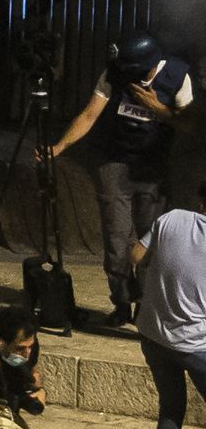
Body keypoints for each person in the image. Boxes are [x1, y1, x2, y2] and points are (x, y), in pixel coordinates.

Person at [42, 33, 196, 325]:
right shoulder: (115, 72)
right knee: (116, 240)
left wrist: (158, 110)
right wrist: (60, 146)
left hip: (152, 169)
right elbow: (90, 114)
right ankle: (122, 303)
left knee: (150, 241)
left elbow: (189, 123)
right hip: (114, 162)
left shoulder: (177, 76)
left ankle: (147, 307)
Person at [132, 185, 206, 429]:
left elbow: (136, 255)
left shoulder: (171, 218)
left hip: (154, 336)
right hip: (195, 344)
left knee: (171, 406)